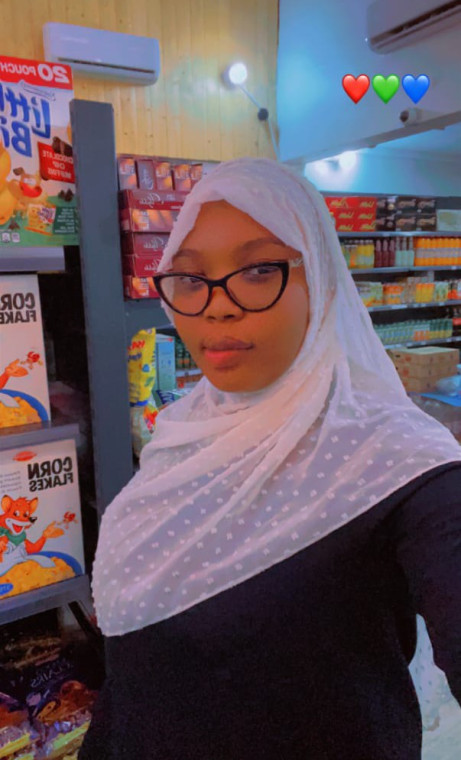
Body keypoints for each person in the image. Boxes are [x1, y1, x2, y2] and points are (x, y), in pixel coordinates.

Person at [80, 158, 461, 759]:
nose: (217, 307)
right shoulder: (183, 436)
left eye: (259, 270)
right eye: (190, 277)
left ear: (322, 284)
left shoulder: (399, 461)